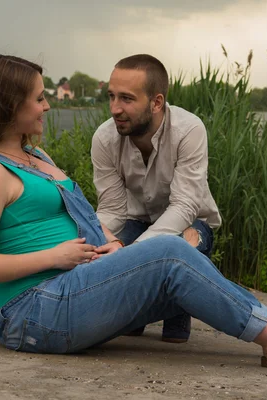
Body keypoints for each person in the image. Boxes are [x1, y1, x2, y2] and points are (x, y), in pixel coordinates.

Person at [0, 54, 267, 374]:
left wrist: (111, 249)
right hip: (31, 311)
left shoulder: (36, 156)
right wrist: (55, 257)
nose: (47, 106)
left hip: (69, 288)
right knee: (168, 252)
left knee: (187, 269)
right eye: (40, 97)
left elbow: (101, 216)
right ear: (11, 106)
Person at [91, 54, 221, 343]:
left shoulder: (189, 130)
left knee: (185, 243)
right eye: (111, 97)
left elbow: (185, 206)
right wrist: (95, 239)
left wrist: (130, 255)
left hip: (190, 223)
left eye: (126, 99)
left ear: (157, 102)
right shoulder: (104, 138)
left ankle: (175, 317)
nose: (115, 109)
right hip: (135, 220)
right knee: (102, 244)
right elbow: (111, 209)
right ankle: (137, 314)